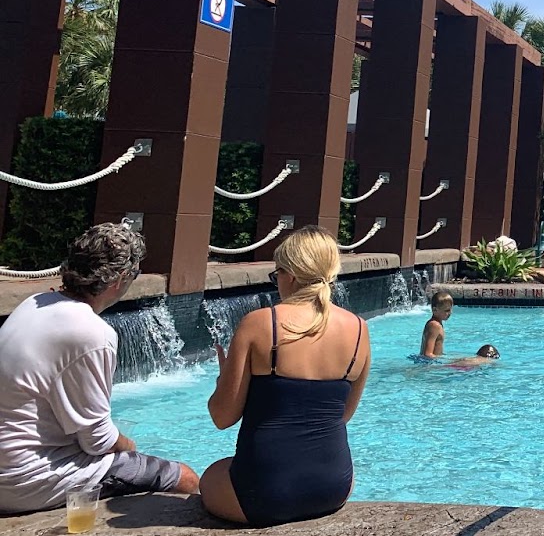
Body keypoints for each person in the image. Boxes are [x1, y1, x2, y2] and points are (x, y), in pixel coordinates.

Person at [0, 223, 200, 513]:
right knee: (185, 478)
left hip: (10, 464)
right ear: (119, 279)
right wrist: (128, 445)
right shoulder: (92, 332)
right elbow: (97, 441)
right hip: (25, 481)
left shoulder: (34, 303)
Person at [202, 226, 372, 525]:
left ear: (290, 275)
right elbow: (343, 415)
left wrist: (222, 380)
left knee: (210, 476)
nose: (277, 281)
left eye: (276, 273)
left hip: (263, 495)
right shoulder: (359, 329)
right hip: (335, 487)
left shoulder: (259, 323)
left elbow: (222, 417)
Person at [419, 290, 452, 358]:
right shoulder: (434, 325)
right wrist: (445, 360)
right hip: (429, 363)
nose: (450, 313)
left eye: (450, 309)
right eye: (447, 310)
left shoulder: (437, 323)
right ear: (435, 310)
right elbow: (427, 354)